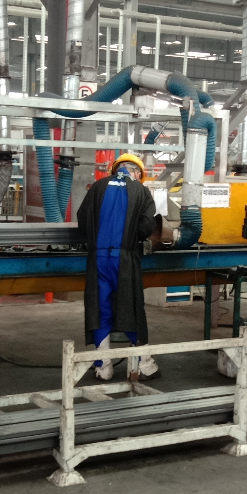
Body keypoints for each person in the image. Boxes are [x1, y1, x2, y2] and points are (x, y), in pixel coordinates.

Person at [76, 153, 160, 381]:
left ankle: (103, 368)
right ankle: (145, 365)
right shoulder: (141, 191)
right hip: (124, 259)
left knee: (99, 309)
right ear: (137, 173)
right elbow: (146, 227)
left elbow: (82, 220)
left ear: (116, 169)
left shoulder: (97, 187)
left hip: (97, 259)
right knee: (131, 307)